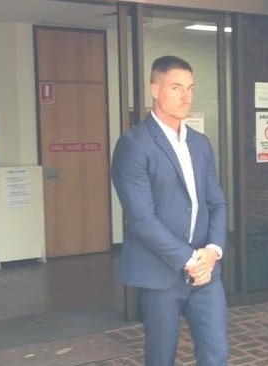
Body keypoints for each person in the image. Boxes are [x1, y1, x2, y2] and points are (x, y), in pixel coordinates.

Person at [111, 55, 228, 366]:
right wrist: (189, 259)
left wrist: (213, 251)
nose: (185, 96)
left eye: (190, 88)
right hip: (160, 272)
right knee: (161, 356)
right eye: (176, 87)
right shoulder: (134, 144)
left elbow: (216, 202)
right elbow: (141, 219)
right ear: (154, 88)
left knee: (216, 353)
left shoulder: (201, 144)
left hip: (206, 272)